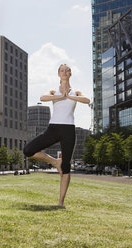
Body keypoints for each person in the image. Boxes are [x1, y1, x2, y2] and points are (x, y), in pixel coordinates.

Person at [23, 64, 90, 206]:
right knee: (28, 150)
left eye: (67, 70)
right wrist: (60, 96)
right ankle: (54, 162)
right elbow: (43, 97)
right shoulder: (53, 91)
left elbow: (87, 100)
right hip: (53, 128)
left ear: (70, 73)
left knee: (66, 166)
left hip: (68, 130)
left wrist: (70, 97)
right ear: (59, 74)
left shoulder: (76, 92)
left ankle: (60, 202)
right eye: (62, 70)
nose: (64, 72)